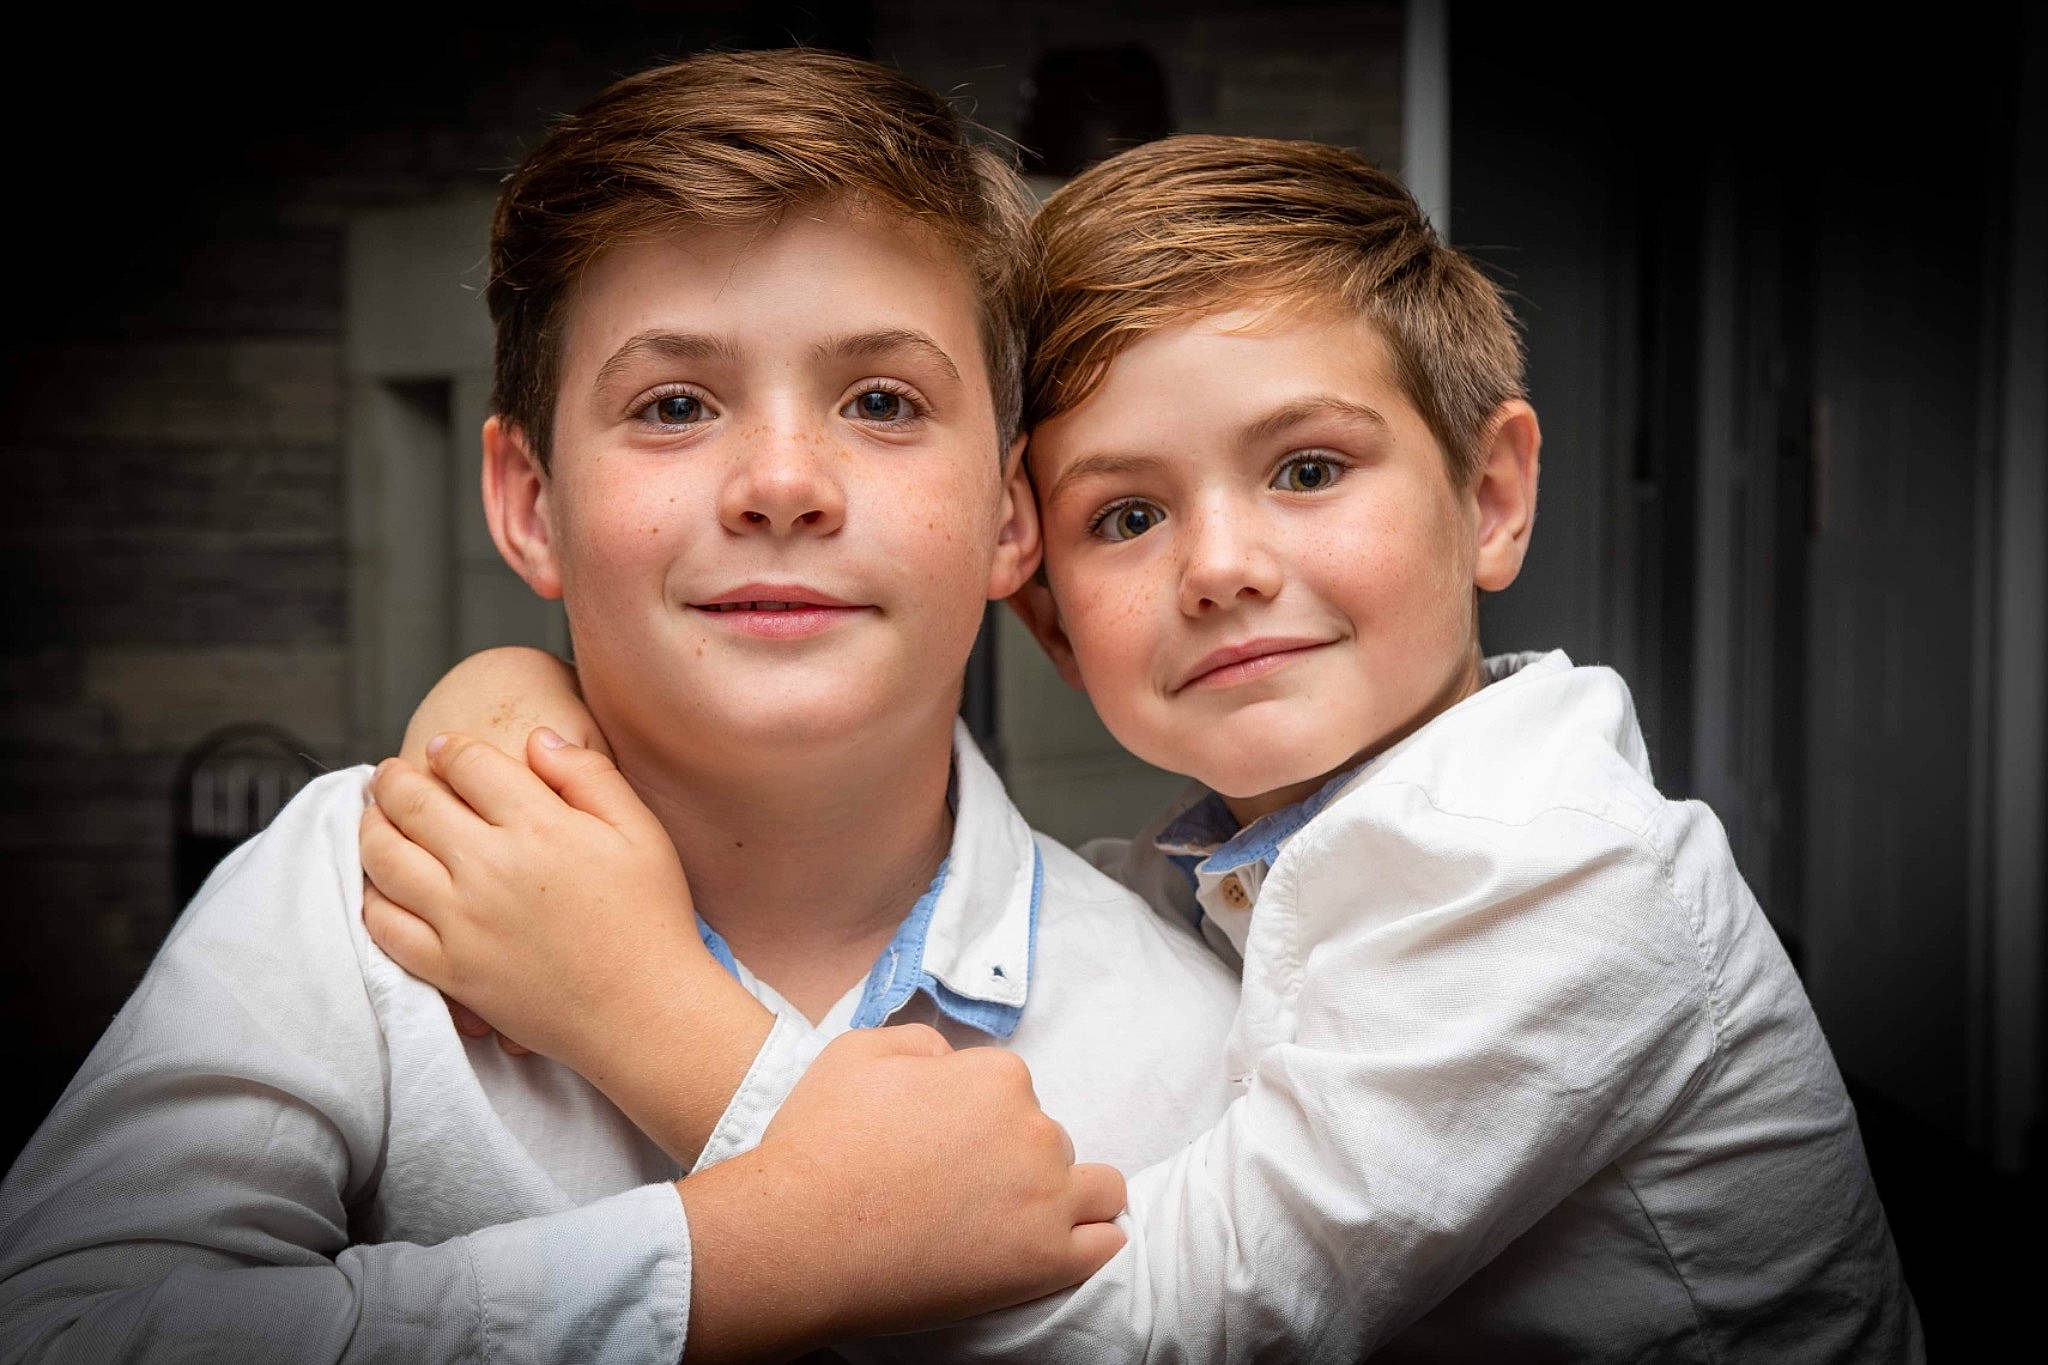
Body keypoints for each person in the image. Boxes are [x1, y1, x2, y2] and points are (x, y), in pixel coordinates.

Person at [379, 136, 1924, 1360]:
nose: (1221, 566)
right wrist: (505, 686)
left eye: (1309, 467)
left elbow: (1170, 1330)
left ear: (1494, 494)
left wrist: (643, 1007)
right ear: (1046, 613)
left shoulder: (1556, 868)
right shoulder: (1228, 871)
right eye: (1126, 514)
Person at [0, 53, 1244, 1363]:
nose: (779, 483)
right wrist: (741, 1255)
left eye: (881, 400)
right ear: (532, 503)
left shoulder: (1187, 1038)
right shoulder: (359, 888)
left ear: (1009, 514)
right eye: (673, 404)